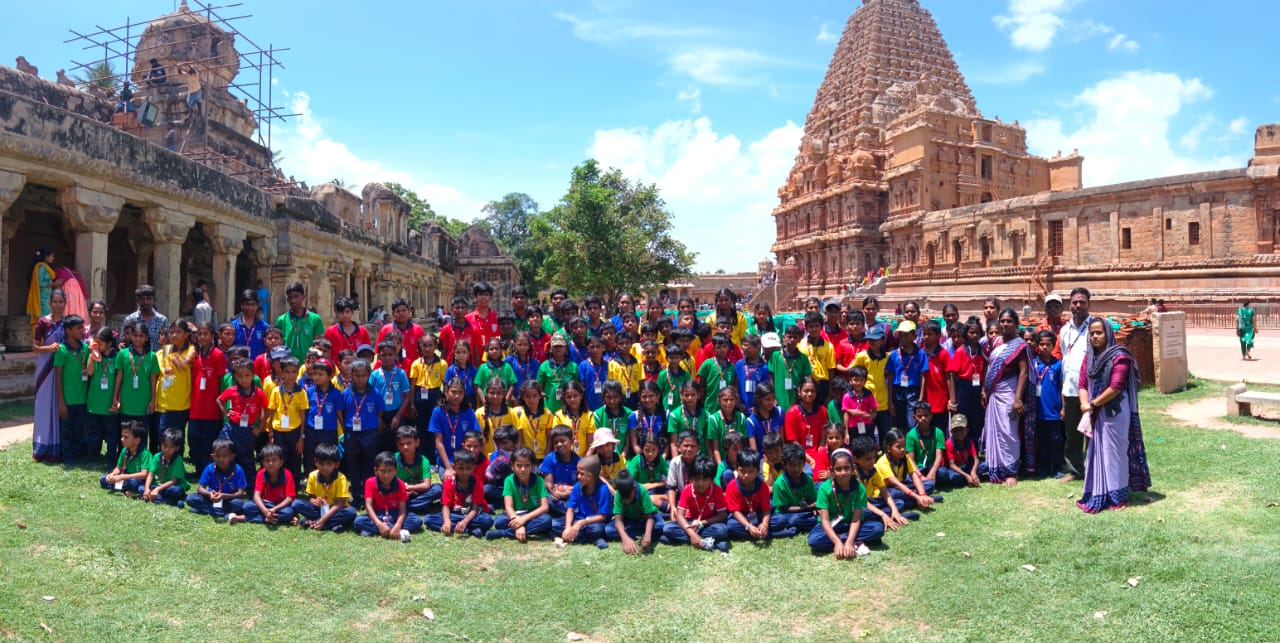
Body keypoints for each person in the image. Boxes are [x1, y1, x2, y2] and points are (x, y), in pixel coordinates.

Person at [1077, 318, 1152, 513]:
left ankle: (1118, 496)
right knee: (1096, 452)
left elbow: (1115, 387)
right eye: (1092, 333)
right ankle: (1098, 492)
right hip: (1094, 411)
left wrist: (1092, 404)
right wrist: (1084, 404)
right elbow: (1083, 383)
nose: (1094, 336)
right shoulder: (1089, 358)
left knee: (1114, 454)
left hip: (1114, 413)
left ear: (1108, 334)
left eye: (1099, 333)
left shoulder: (1120, 357)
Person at [983, 309, 1038, 486]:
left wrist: (1018, 399)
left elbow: (1023, 373)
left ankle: (1011, 471)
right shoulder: (996, 341)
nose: (1005, 324)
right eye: (1002, 321)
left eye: (1009, 321)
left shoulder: (1020, 345)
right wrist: (984, 390)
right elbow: (989, 366)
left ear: (1016, 324)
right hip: (994, 391)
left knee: (1009, 430)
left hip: (1010, 391)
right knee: (995, 430)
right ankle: (996, 468)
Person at [807, 448, 884, 557]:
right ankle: (846, 539)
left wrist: (849, 542)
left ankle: (845, 539)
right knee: (814, 540)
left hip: (851, 523)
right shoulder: (824, 489)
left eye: (847, 468)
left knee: (877, 529)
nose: (843, 473)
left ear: (853, 468)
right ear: (832, 470)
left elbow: (856, 519)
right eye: (838, 469)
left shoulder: (859, 488)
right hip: (832, 524)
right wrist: (837, 542)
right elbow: (824, 520)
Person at [1057, 288, 1094, 483]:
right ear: (1069, 305)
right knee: (1072, 433)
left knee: (1094, 430)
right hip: (1070, 389)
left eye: (1082, 302)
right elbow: (1065, 359)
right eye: (1074, 302)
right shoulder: (1064, 330)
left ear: (1089, 304)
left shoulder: (1096, 327)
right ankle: (1075, 470)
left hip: (1091, 390)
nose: (1078, 306)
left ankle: (1096, 468)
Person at [661, 454, 730, 552]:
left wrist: (701, 523)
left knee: (722, 530)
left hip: (707, 523)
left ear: (711, 479)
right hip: (690, 522)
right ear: (691, 478)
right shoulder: (687, 490)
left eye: (705, 479)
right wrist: (692, 533)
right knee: (668, 528)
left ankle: (686, 540)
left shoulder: (717, 490)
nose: (700, 483)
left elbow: (722, 515)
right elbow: (680, 515)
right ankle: (709, 542)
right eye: (697, 479)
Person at [487, 447, 554, 542]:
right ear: (512, 467)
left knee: (547, 520)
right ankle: (533, 530)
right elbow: (508, 507)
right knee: (499, 521)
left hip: (532, 515)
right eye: (519, 466)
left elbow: (544, 507)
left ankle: (504, 533)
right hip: (515, 514)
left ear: (532, 467)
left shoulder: (539, 481)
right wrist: (518, 523)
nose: (523, 469)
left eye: (527, 465)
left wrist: (523, 520)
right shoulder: (509, 480)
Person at [355, 451, 422, 541]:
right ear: (376, 471)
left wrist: (398, 525)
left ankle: (387, 530)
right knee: (358, 521)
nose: (386, 475)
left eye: (390, 471)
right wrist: (379, 524)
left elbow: (403, 509)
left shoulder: (400, 484)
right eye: (382, 471)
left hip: (395, 514)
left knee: (416, 521)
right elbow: (368, 506)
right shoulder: (370, 482)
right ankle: (392, 530)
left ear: (395, 471)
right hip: (378, 514)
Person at [425, 448, 493, 537]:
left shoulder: (477, 483)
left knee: (487, 520)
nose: (464, 472)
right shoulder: (449, 482)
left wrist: (465, 522)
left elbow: (475, 509)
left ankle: (460, 527)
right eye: (460, 468)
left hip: (470, 515)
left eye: (468, 468)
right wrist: (447, 521)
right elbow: (446, 506)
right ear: (454, 467)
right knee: (428, 519)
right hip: (454, 514)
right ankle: (470, 530)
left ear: (473, 468)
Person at [294, 442, 357, 531]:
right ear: (316, 462)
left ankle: (317, 522)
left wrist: (322, 520)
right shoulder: (312, 475)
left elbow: (340, 504)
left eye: (329, 464)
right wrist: (314, 501)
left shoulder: (341, 478)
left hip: (336, 510)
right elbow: (311, 497)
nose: (324, 467)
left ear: (336, 464)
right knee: (296, 503)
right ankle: (331, 524)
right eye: (321, 463)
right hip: (319, 509)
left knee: (351, 512)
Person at [52, 314, 90, 463]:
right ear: (68, 331)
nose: (82, 330)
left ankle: (78, 454)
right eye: (78, 328)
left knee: (79, 429)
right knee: (66, 430)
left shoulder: (85, 348)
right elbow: (58, 377)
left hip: (82, 399)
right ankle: (68, 457)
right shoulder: (62, 350)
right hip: (67, 400)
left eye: (83, 327)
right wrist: (61, 402)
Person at [554, 455, 613, 548]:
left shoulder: (603, 489)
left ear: (589, 476)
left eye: (581, 474)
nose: (578, 476)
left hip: (592, 523)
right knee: (554, 524)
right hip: (577, 519)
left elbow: (603, 516)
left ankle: (582, 537)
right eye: (578, 473)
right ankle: (591, 539)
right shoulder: (577, 486)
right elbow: (570, 509)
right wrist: (568, 527)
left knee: (597, 529)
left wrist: (582, 523)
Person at [231, 443, 297, 526]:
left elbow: (289, 498)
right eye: (267, 460)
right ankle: (270, 518)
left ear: (281, 462)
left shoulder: (287, 474)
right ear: (263, 462)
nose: (270, 463)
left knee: (288, 512)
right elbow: (256, 496)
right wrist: (265, 511)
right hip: (265, 504)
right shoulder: (261, 473)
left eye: (274, 460)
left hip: (280, 506)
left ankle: (242, 518)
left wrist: (275, 509)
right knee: (247, 506)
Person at [186, 438, 248, 519]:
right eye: (217, 456)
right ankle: (221, 513)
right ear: (213, 456)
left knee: (241, 505)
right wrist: (210, 494)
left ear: (232, 457)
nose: (221, 459)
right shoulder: (209, 468)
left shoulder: (237, 470)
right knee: (191, 498)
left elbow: (240, 493)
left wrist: (223, 496)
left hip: (228, 500)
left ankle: (206, 510)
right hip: (211, 498)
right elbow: (200, 488)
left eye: (224, 456)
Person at [724, 448, 776, 541]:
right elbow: (735, 512)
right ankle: (763, 533)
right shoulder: (732, 486)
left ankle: (760, 531)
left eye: (750, 471)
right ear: (736, 469)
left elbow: (766, 509)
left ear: (757, 471)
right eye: (742, 471)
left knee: (779, 519)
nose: (746, 475)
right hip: (742, 518)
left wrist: (764, 524)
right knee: (731, 526)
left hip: (758, 514)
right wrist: (748, 526)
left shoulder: (762, 486)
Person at [607, 469, 661, 554]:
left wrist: (647, 535)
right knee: (609, 530)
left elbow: (650, 518)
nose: (626, 501)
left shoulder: (642, 491)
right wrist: (625, 539)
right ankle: (638, 535)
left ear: (634, 488)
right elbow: (618, 520)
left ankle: (643, 535)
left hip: (645, 519)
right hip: (630, 520)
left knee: (660, 526)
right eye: (623, 498)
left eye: (628, 498)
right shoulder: (618, 493)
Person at [276, 282, 325, 361]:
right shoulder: (281, 320)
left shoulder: (315, 319)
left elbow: (318, 345)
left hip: (309, 365)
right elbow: (278, 345)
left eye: (296, 296)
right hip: (287, 367)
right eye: (290, 297)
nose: (293, 300)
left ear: (303, 297)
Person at [99, 421, 151, 494]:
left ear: (137, 440)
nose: (122, 439)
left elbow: (144, 474)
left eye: (125, 437)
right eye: (122, 436)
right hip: (125, 478)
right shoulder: (124, 450)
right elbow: (118, 468)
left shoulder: (145, 454)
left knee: (133, 483)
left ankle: (123, 487)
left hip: (136, 480)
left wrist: (123, 477)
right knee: (103, 478)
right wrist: (112, 474)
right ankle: (124, 488)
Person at [142, 428, 188, 506]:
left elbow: (173, 481)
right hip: (161, 485)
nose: (167, 449)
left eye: (171, 447)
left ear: (177, 448)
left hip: (173, 486)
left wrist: (157, 489)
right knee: (141, 488)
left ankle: (161, 498)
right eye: (165, 445)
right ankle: (170, 500)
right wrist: (146, 488)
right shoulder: (157, 456)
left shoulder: (177, 459)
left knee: (174, 491)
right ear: (161, 444)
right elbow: (150, 474)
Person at [122, 285, 169, 353]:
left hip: (156, 361)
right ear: (137, 300)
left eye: (148, 299)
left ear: (154, 300)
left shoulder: (162, 320)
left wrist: (164, 360)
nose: (145, 302)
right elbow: (123, 342)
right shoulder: (130, 319)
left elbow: (167, 344)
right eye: (142, 299)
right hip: (134, 362)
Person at [26, 247, 62, 332]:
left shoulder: (46, 267)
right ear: (46, 256)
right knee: (44, 320)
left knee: (47, 320)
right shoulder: (41, 267)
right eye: (52, 256)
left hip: (46, 297)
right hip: (42, 299)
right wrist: (54, 284)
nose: (53, 258)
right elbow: (41, 283)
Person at [324, 296, 369, 364]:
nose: (345, 315)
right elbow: (326, 352)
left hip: (358, 371)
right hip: (336, 371)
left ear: (352, 312)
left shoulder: (362, 331)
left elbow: (367, 353)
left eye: (347, 312)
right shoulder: (331, 331)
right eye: (341, 312)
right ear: (337, 313)